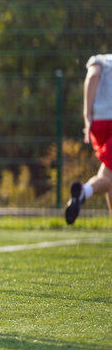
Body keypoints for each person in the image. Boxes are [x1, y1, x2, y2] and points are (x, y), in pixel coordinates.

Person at [66, 54, 112, 225]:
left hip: (99, 123)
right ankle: (84, 191)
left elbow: (92, 75)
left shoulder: (102, 60)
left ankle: (84, 192)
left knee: (108, 176)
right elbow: (93, 76)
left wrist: (88, 114)